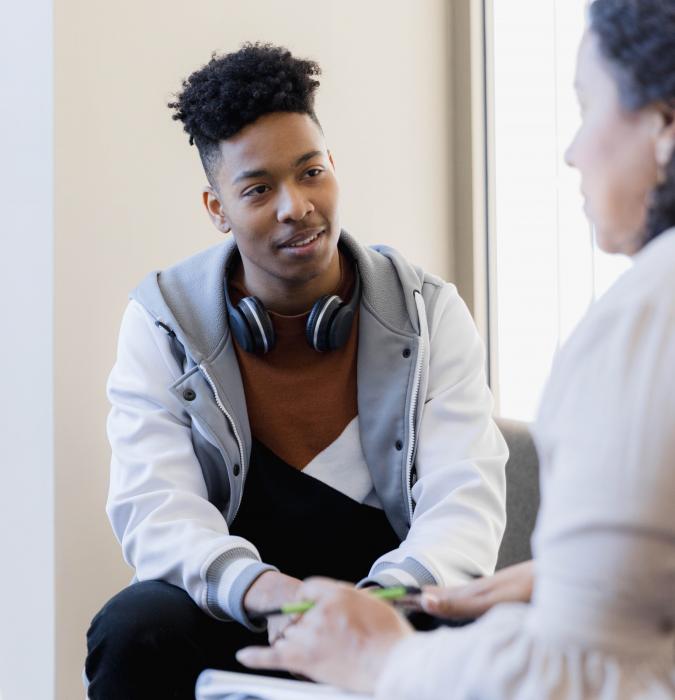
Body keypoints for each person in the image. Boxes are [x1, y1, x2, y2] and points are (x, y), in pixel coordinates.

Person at [237, 1, 675, 697]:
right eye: (257, 188)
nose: (571, 149)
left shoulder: (643, 324)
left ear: (663, 124)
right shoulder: (162, 317)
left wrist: (379, 659)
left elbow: (581, 672)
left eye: (586, 105)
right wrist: (563, 579)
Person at [84, 43, 508, 698]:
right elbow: (155, 510)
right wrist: (270, 593)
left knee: (492, 630)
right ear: (216, 208)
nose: (295, 206)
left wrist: (373, 606)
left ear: (332, 165)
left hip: (392, 602)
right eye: (258, 189)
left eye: (310, 172)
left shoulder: (429, 310)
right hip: (240, 603)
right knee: (135, 627)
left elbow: (464, 496)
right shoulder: (160, 321)